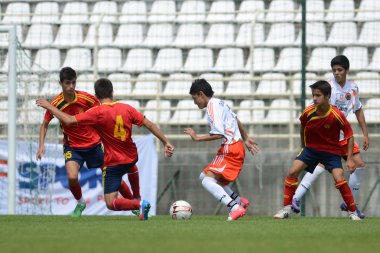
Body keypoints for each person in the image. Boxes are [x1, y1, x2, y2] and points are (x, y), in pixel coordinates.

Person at [36, 78, 174, 220]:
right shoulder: (127, 108)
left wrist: (48, 106)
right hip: (130, 157)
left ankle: (139, 204)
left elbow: (70, 120)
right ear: (112, 92)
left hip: (112, 162)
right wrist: (166, 142)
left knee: (111, 202)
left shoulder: (97, 112)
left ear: (96, 96)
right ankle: (137, 199)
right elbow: (150, 125)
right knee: (131, 168)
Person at [36, 67, 138, 218]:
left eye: (73, 82)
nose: (71, 86)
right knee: (72, 177)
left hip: (94, 145)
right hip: (73, 146)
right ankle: (81, 202)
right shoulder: (56, 103)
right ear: (61, 83)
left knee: (114, 176)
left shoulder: (87, 99)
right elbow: (44, 125)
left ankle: (133, 204)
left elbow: (104, 113)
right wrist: (41, 145)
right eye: (67, 83)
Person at [292, 55, 369, 218]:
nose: (336, 73)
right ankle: (295, 198)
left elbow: (358, 110)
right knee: (320, 165)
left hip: (343, 134)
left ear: (346, 71)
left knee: (359, 164)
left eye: (340, 70)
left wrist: (365, 134)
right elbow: (315, 107)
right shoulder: (328, 87)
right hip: (328, 135)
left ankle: (349, 204)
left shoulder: (353, 88)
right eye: (334, 70)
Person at [273, 80, 361, 221]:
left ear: (327, 96)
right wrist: (303, 146)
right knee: (292, 172)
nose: (314, 98)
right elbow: (302, 126)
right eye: (313, 95)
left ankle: (352, 212)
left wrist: (349, 159)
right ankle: (286, 208)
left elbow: (350, 135)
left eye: (318, 95)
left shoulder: (337, 115)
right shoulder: (308, 111)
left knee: (340, 179)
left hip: (331, 152)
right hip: (311, 150)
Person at [184, 79, 259, 221]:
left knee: (207, 181)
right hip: (235, 146)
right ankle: (238, 201)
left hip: (230, 148)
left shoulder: (212, 107)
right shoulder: (220, 102)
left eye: (194, 99)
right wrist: (246, 138)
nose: (195, 103)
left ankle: (235, 207)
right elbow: (236, 119)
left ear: (201, 94)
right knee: (204, 176)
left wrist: (197, 138)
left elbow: (219, 133)